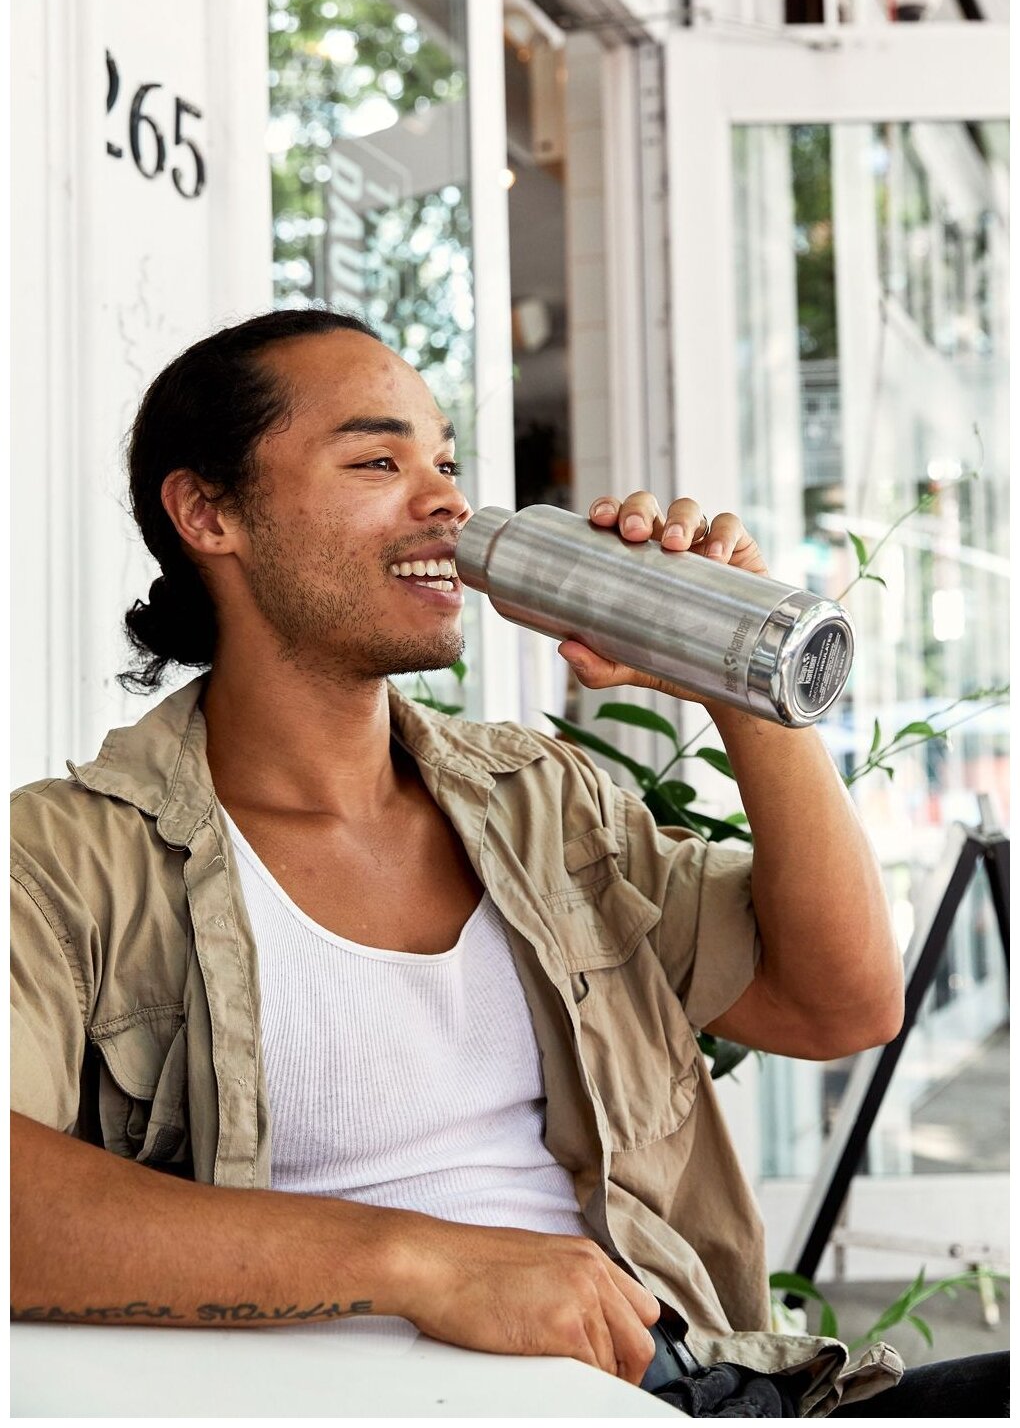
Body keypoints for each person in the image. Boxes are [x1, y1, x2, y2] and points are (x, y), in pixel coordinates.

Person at [10, 309, 1004, 1417]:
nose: (446, 501)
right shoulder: (70, 859)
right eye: (378, 461)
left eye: (446, 463)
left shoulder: (540, 800)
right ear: (209, 512)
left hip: (667, 1388)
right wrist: (420, 1260)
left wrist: (742, 681)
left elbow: (840, 1004)